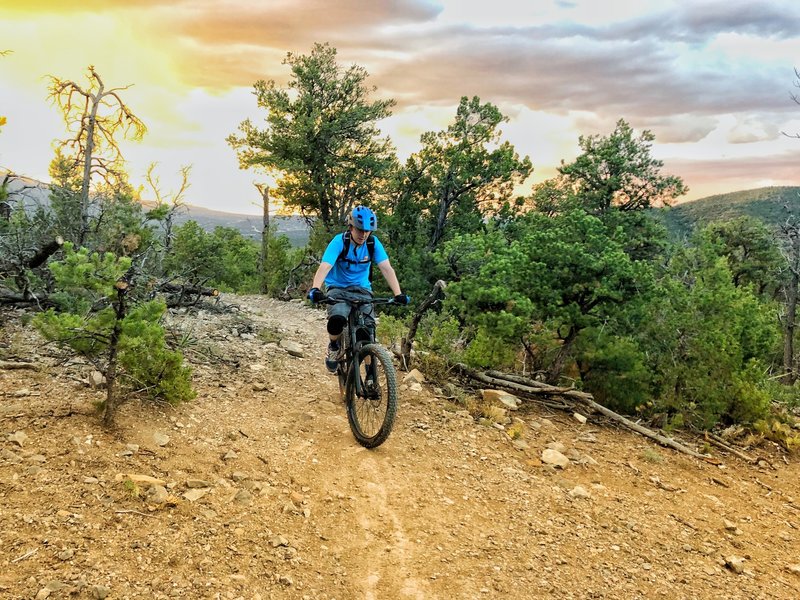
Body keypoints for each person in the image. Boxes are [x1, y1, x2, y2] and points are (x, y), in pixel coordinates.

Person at [307, 205, 410, 372]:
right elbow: (325, 266)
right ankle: (334, 346)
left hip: (362, 290)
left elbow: (386, 268)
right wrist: (315, 289)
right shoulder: (339, 242)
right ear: (351, 227)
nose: (364, 234)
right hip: (337, 288)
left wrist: (398, 294)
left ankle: (371, 377)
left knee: (367, 334)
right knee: (337, 319)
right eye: (360, 230)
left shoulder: (372, 244)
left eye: (368, 231)